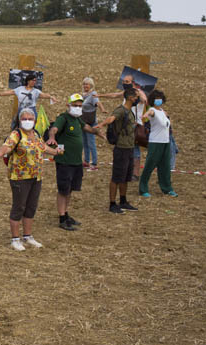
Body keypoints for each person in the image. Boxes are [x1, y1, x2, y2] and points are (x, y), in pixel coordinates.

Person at [0, 108, 60, 250]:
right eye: (24, 119)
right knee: (19, 206)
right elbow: (7, 146)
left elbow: (43, 147)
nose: (28, 121)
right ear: (19, 121)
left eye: (30, 119)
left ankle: (28, 236)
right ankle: (15, 239)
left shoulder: (36, 134)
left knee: (31, 206)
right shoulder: (16, 134)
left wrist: (56, 152)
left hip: (36, 176)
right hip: (19, 177)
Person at [47, 94, 103, 230]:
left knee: (70, 189)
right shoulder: (63, 118)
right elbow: (53, 129)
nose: (78, 108)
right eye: (75, 105)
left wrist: (98, 132)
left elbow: (88, 128)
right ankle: (61, 218)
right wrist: (52, 138)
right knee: (63, 190)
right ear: (68, 106)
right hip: (65, 161)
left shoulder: (78, 120)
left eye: (80, 106)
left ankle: (66, 214)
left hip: (76, 161)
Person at [97, 87, 141, 214]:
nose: (137, 99)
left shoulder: (130, 111)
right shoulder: (121, 110)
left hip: (129, 148)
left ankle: (123, 201)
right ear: (130, 97)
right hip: (121, 148)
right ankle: (112, 203)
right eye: (136, 96)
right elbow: (112, 118)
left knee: (126, 177)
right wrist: (102, 124)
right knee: (116, 177)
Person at [99, 74, 148, 180]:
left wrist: (139, 96)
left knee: (135, 149)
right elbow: (114, 95)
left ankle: (135, 173)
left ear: (132, 82)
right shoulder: (126, 93)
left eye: (127, 82)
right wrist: (100, 96)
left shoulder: (137, 93)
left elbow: (144, 100)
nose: (125, 83)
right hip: (125, 124)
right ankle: (128, 171)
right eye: (124, 81)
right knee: (126, 148)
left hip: (135, 124)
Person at [138, 89, 177, 197]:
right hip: (155, 142)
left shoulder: (164, 112)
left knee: (165, 166)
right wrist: (145, 115)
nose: (158, 100)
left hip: (165, 142)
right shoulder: (152, 110)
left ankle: (167, 188)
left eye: (160, 98)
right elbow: (149, 112)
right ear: (153, 100)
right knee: (150, 165)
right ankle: (143, 188)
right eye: (156, 99)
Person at [80, 77, 105, 170]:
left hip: (91, 122)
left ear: (91, 85)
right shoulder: (83, 95)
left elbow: (98, 103)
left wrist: (102, 109)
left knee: (91, 143)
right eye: (84, 84)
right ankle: (86, 161)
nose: (85, 85)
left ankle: (94, 163)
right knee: (85, 142)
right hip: (83, 121)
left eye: (87, 84)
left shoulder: (93, 94)